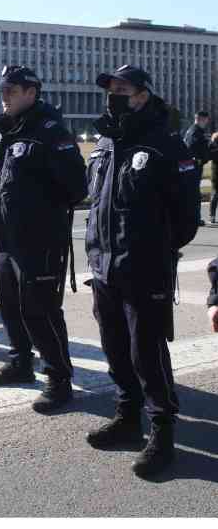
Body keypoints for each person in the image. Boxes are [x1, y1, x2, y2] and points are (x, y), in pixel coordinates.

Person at [85, 64, 199, 478]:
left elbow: (186, 219)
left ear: (144, 95)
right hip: (104, 267)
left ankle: (163, 432)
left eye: (124, 89)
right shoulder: (104, 143)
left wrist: (153, 253)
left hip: (144, 270)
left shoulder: (166, 144)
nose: (115, 95)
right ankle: (127, 418)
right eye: (110, 89)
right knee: (115, 348)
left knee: (146, 353)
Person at [0, 65, 87, 413]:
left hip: (39, 242)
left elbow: (76, 187)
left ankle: (59, 379)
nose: (4, 97)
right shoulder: (6, 132)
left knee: (41, 312)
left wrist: (39, 213)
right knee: (10, 307)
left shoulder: (50, 131)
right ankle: (21, 363)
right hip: (6, 241)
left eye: (10, 91)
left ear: (31, 92)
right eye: (2, 91)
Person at [184, 111, 210, 226]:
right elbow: (193, 149)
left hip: (189, 166)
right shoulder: (196, 132)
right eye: (205, 119)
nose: (206, 122)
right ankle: (195, 218)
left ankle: (191, 217)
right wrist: (201, 158)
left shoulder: (191, 130)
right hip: (193, 165)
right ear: (200, 119)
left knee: (191, 192)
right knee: (194, 193)